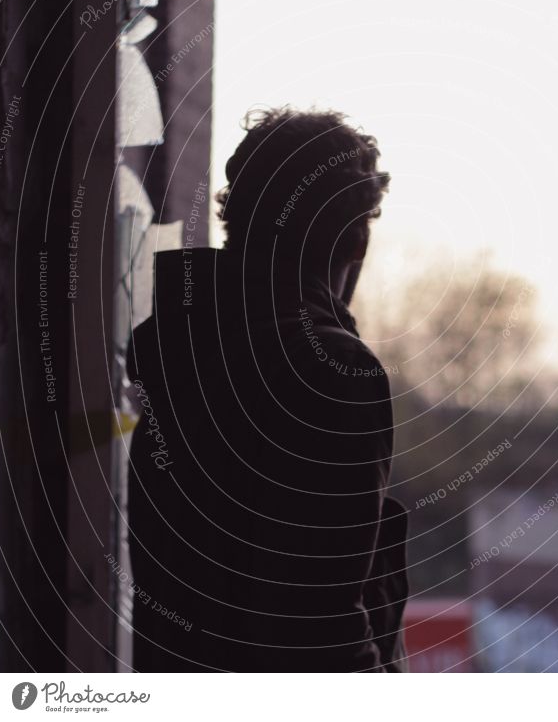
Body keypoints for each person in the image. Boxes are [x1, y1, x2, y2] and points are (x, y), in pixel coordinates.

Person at [126, 107, 408, 672]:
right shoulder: (333, 369)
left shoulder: (177, 354)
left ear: (237, 224)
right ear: (356, 241)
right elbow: (323, 624)